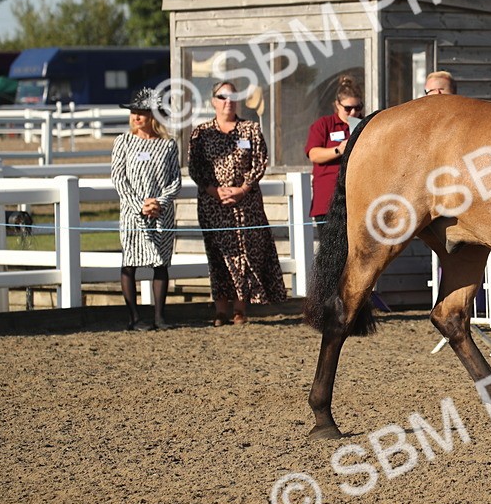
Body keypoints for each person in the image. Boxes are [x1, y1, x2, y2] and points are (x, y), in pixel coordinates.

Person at [188, 81, 287, 325]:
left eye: (232, 96)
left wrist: (243, 189)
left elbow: (260, 162)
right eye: (222, 97)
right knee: (219, 255)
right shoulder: (201, 133)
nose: (227, 101)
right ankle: (220, 309)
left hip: (246, 204)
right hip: (214, 204)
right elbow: (195, 167)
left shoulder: (250, 130)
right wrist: (214, 191)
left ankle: (240, 308)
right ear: (213, 101)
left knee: (245, 255)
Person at [111, 87, 181, 330]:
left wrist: (158, 203)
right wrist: (140, 205)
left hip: (161, 214)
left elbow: (175, 180)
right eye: (133, 113)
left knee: (160, 263)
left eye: (142, 112)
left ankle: (160, 317)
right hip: (133, 212)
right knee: (129, 262)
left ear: (154, 115)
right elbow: (119, 178)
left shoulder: (168, 145)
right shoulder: (123, 142)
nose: (136, 117)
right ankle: (134, 318)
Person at [304, 76, 364, 243]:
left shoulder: (364, 125)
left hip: (358, 200)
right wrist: (339, 150)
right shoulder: (324, 125)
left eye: (358, 107)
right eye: (348, 108)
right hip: (328, 201)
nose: (353, 113)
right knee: (331, 250)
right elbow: (314, 154)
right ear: (337, 105)